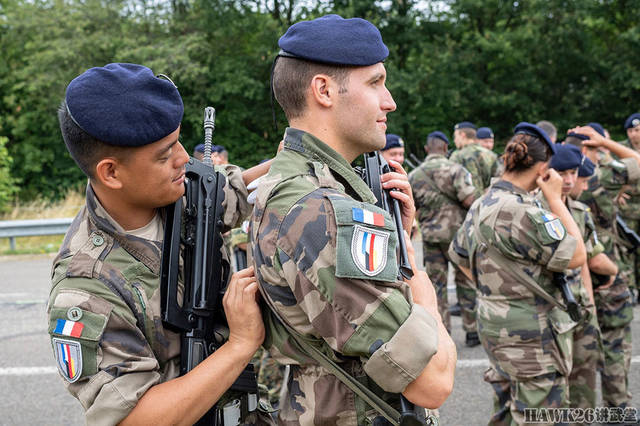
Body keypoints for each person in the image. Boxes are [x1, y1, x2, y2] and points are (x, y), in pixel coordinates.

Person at [251, 14, 456, 425]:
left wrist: (400, 233)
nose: (390, 101)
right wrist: (418, 277)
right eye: (375, 82)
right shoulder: (320, 210)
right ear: (324, 91)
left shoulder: (303, 186)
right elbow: (432, 381)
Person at [46, 63, 270, 425]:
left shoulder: (181, 190)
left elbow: (242, 189)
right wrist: (240, 344)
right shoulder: (86, 287)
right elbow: (137, 419)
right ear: (111, 172)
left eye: (179, 141)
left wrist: (305, 159)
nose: (184, 158)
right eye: (165, 155)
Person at [449, 122, 587, 425]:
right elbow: (577, 254)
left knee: (505, 411)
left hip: (494, 326)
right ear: (542, 170)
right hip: (531, 339)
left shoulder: (483, 202)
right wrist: (553, 198)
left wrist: (497, 291)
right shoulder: (525, 212)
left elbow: (458, 254)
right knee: (537, 415)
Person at [565, 125, 640, 410]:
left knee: (578, 348)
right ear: (588, 149)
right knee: (614, 341)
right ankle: (617, 405)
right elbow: (637, 162)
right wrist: (608, 144)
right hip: (604, 267)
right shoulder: (597, 177)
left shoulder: (554, 180)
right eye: (597, 148)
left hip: (572, 276)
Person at [535, 144, 604, 410]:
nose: (568, 180)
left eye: (573, 172)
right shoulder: (533, 210)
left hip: (580, 306)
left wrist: (591, 306)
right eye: (561, 172)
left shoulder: (580, 212)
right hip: (549, 310)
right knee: (551, 393)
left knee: (584, 383)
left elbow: (584, 262)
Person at [409, 130, 476, 334]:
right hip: (458, 237)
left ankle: (442, 331)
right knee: (465, 281)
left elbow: (413, 208)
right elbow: (469, 200)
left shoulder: (414, 175)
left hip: (431, 238)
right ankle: (472, 329)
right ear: (446, 148)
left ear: (427, 149)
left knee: (437, 286)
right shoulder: (456, 170)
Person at [449, 121, 500, 344]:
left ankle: (464, 329)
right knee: (485, 274)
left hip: (462, 222)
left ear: (461, 135)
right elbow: (499, 186)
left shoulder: (454, 159)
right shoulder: (490, 156)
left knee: (462, 271)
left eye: (455, 136)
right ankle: (481, 327)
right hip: (487, 220)